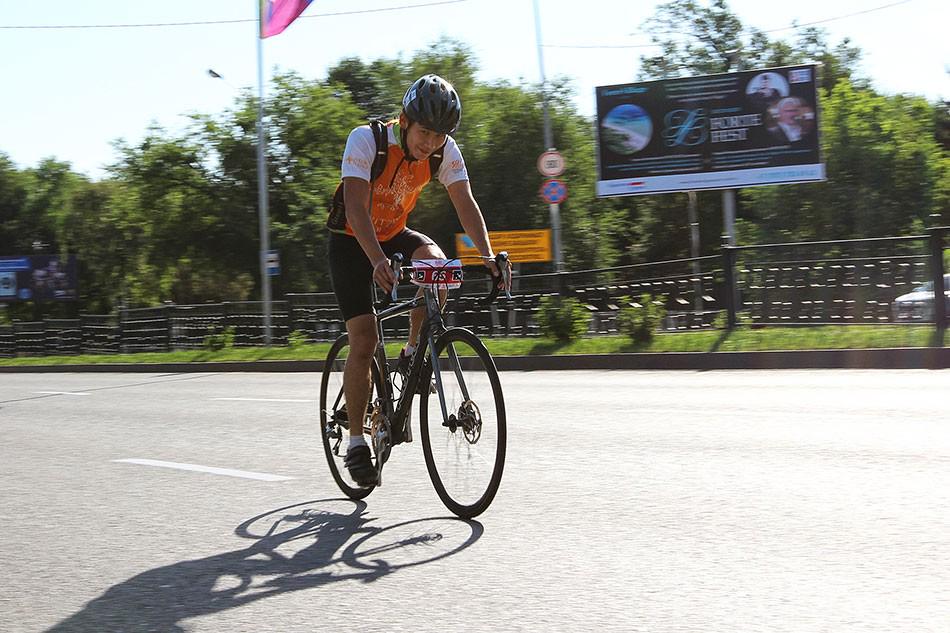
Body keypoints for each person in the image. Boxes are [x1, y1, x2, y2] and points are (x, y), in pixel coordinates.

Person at [327, 73, 509, 487]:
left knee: (439, 270)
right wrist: (376, 260)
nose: (430, 143)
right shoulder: (366, 141)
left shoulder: (444, 152)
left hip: (394, 233)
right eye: (424, 132)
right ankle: (355, 441)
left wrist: (488, 256)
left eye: (439, 135)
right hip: (351, 240)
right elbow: (355, 207)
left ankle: (411, 352)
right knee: (364, 340)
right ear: (405, 121)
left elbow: (464, 202)